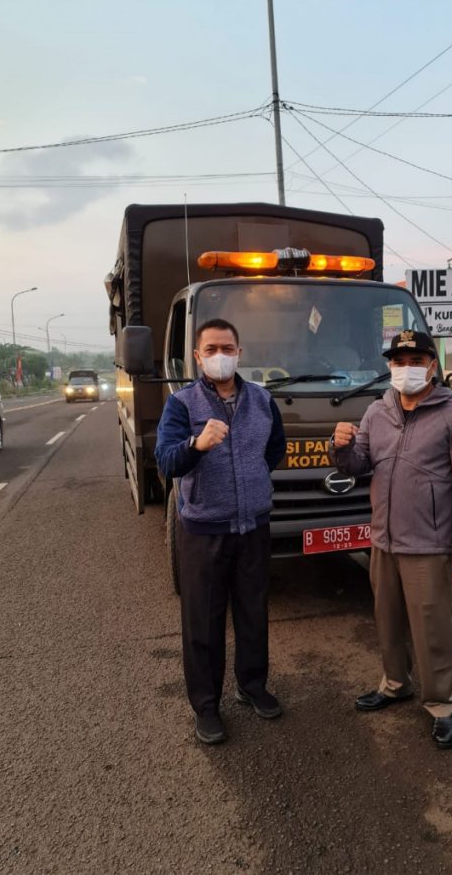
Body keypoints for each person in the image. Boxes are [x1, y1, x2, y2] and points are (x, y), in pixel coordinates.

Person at [331, 329, 452, 749]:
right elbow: (358, 464)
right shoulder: (377, 412)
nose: (406, 369)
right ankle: (395, 683)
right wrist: (339, 448)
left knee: (433, 629)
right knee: (389, 621)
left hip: (429, 545)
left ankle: (442, 705)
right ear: (390, 367)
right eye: (399, 362)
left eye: (416, 361)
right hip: (384, 540)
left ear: (432, 366)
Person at [155, 318, 286, 745]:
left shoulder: (263, 401)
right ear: (197, 356)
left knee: (253, 611)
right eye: (209, 349)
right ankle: (207, 706)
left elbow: (275, 451)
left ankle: (252, 686)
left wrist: (249, 483)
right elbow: (166, 462)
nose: (219, 356)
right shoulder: (182, 404)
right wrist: (196, 445)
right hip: (204, 530)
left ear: (239, 352)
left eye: (226, 348)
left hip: (253, 526)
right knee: (203, 622)